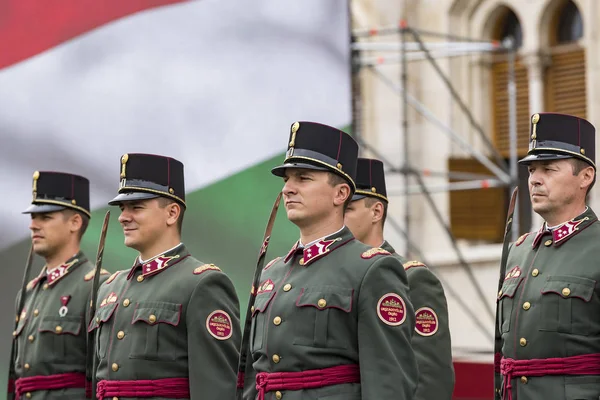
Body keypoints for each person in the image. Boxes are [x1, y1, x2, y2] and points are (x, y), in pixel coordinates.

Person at [240, 122, 418, 400]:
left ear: (340, 193)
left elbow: (388, 383)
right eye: (287, 179)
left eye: (303, 178)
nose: (288, 188)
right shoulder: (272, 273)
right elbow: (255, 376)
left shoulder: (372, 269)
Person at [90, 153, 241, 399]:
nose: (123, 217)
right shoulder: (110, 289)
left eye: (136, 207)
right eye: (122, 208)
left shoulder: (202, 284)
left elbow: (217, 389)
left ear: (172, 213)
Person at [494, 113, 600, 399]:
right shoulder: (518, 251)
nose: (535, 180)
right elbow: (501, 356)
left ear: (586, 177)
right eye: (531, 171)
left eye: (549, 169)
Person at [345, 157, 455, 400]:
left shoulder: (412, 278)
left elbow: (431, 379)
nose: (338, 217)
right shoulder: (339, 276)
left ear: (376, 211)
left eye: (348, 209)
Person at [9, 171, 109, 400]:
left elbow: (103, 373)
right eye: (32, 217)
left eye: (45, 217)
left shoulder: (97, 286)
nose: (33, 226)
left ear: (75, 222)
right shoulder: (28, 292)